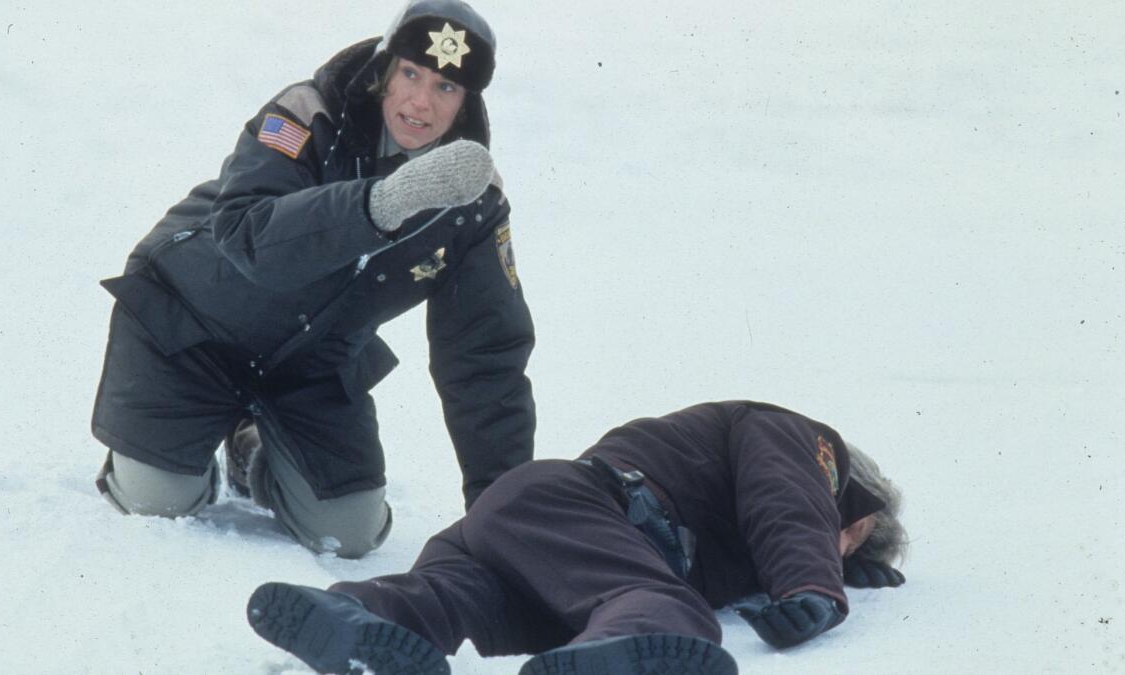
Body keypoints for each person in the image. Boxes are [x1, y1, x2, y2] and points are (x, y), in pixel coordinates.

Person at [90, 0, 535, 558]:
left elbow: (483, 356)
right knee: (160, 500)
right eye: (411, 74)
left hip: (311, 365)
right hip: (188, 327)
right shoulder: (306, 113)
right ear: (383, 69)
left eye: (447, 88)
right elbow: (247, 236)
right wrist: (382, 203)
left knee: (349, 534)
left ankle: (251, 446)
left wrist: (505, 513)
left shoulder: (474, 201)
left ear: (467, 103)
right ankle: (174, 451)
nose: (421, 101)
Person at [245, 400, 909, 675]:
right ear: (851, 502)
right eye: (856, 536)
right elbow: (788, 501)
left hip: (525, 538)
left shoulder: (757, 526)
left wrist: (826, 569)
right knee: (663, 606)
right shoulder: (802, 441)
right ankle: (611, 655)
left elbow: (780, 525)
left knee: (447, 601)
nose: (845, 547)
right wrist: (814, 582)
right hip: (583, 507)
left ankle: (352, 615)